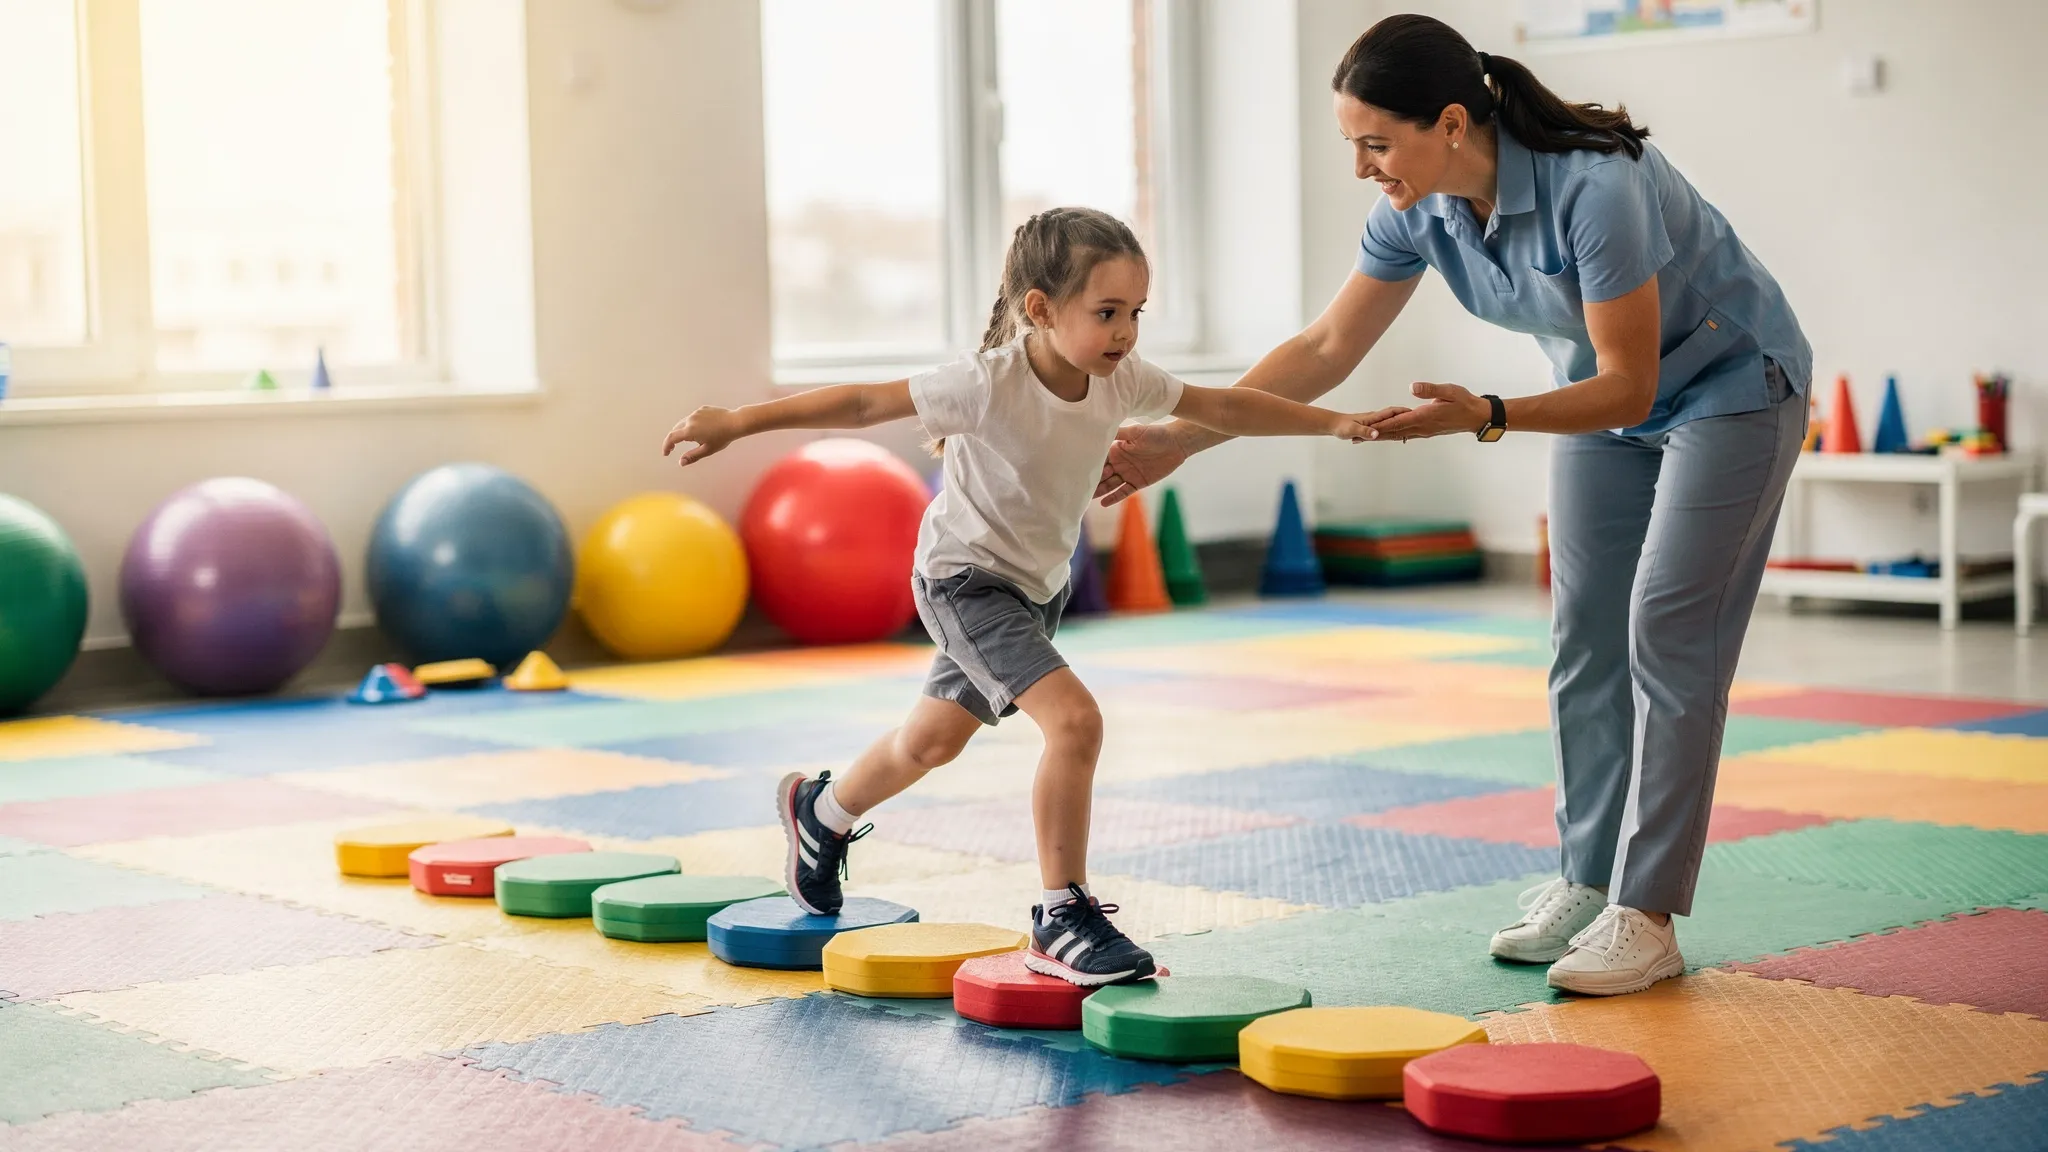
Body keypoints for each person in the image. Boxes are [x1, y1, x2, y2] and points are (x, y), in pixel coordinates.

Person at [1096, 15, 1811, 997]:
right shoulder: (1415, 209)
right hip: (1592, 399)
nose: (1360, 168)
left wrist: (1485, 416)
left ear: (1446, 123)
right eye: (1348, 144)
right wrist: (1180, 437)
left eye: (1373, 144)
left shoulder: (1596, 188)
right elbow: (1322, 349)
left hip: (1727, 388)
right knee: (1583, 634)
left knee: (1665, 627)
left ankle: (1643, 916)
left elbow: (1630, 384)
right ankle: (1583, 875)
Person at [663, 207, 1384, 986]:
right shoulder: (988, 383)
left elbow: (1229, 407)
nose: (1126, 333)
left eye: (1136, 313)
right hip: (964, 582)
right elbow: (865, 404)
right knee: (1075, 722)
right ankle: (1060, 914)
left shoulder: (1123, 380)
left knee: (930, 743)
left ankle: (821, 812)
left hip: (1035, 591)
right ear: (1039, 310)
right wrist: (739, 421)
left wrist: (1336, 423)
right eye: (1106, 313)